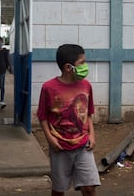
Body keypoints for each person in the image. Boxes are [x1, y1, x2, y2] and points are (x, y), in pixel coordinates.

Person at [37, 44, 101, 196]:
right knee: (59, 190)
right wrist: (50, 139)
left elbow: (88, 113)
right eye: (82, 63)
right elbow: (42, 116)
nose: (85, 66)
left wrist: (92, 135)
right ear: (68, 67)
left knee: (89, 187)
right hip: (60, 146)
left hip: (83, 145)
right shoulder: (48, 88)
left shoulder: (86, 85)